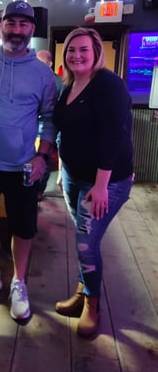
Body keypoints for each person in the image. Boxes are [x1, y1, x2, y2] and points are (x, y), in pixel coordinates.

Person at [0, 0, 58, 320]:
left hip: (23, 166)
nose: (16, 30)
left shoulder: (43, 75)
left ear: (32, 29)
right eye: (11, 23)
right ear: (1, 25)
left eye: (23, 25)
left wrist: (42, 155)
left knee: (24, 228)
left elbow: (50, 119)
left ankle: (18, 282)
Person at [53, 27, 134, 338]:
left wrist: (101, 186)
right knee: (82, 239)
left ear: (97, 52)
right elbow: (65, 133)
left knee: (86, 242)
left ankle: (92, 305)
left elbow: (114, 137)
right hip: (74, 175)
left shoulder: (108, 85)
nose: (77, 55)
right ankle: (83, 291)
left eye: (84, 49)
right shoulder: (69, 85)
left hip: (106, 181)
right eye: (72, 50)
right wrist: (62, 169)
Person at [36, 49, 62, 200]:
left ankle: (39, 190)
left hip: (49, 126)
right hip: (32, 127)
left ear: (50, 63)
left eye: (41, 62)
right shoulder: (32, 79)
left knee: (43, 159)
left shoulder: (59, 82)